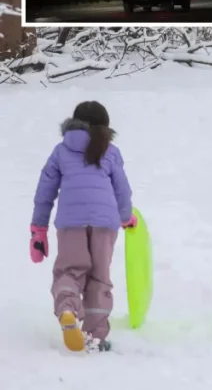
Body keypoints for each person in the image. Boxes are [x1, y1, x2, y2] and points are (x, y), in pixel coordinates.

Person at [30, 100, 135, 353]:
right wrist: (126, 217)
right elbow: (122, 190)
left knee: (69, 271)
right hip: (105, 223)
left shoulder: (61, 151)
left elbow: (45, 191)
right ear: (105, 126)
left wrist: (39, 229)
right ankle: (95, 337)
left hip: (71, 222)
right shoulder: (110, 151)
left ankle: (67, 309)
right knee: (99, 278)